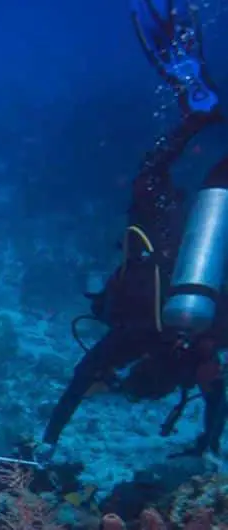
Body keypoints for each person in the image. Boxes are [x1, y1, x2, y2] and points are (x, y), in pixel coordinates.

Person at [39, 0, 226, 461]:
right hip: (166, 233)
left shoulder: (197, 345)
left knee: (197, 182)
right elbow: (79, 382)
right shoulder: (137, 337)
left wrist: (207, 442)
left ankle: (202, 114)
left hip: (184, 233)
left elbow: (216, 401)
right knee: (150, 177)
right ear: (141, 367)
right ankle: (197, 115)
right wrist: (49, 439)